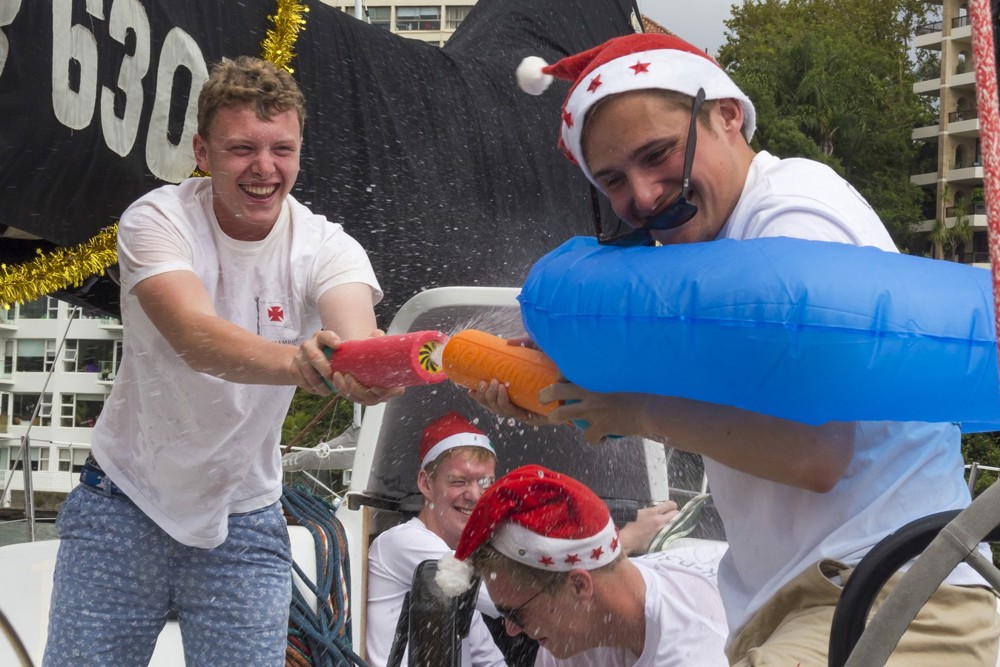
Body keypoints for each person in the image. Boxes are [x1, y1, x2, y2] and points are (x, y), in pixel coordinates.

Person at [473, 33, 1000, 665]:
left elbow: (814, 452)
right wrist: (566, 385)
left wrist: (635, 410)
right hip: (816, 604)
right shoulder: (708, 260)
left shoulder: (793, 214)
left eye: (658, 153)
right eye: (613, 179)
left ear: (726, 114)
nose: (642, 196)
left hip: (894, 598)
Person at [43, 56, 400, 666]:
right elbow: (193, 334)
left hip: (246, 518)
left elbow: (355, 338)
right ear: (202, 152)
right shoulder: (156, 219)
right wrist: (300, 363)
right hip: (122, 506)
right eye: (242, 149)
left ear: (300, 152)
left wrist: (366, 370)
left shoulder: (327, 246)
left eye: (282, 150)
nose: (264, 168)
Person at [366, 412, 678, 667]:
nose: (474, 495)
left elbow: (490, 661)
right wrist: (623, 541)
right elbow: (523, 592)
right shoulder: (402, 543)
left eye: (484, 483)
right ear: (426, 483)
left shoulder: (459, 587)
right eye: (458, 481)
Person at [437, 464, 729, 666]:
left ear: (579, 585)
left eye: (516, 613)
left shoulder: (701, 652)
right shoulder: (573, 633)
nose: (511, 630)